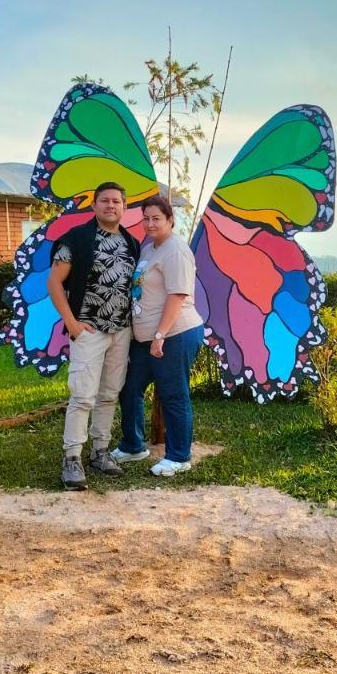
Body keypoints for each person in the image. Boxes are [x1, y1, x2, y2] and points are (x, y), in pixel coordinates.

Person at [47, 181, 141, 490]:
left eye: (116, 201)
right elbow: (54, 283)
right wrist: (72, 324)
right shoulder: (76, 240)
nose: (111, 205)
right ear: (94, 205)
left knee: (109, 394)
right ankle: (72, 457)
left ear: (124, 207)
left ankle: (101, 451)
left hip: (121, 330)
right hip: (88, 329)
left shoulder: (131, 242)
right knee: (83, 395)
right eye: (105, 200)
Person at [110, 195, 205, 477]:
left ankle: (178, 456)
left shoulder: (175, 250)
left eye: (157, 219)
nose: (150, 224)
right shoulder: (150, 247)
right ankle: (133, 445)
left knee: (173, 393)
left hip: (174, 333)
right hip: (146, 336)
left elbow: (177, 296)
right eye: (146, 218)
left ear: (170, 220)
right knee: (129, 387)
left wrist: (160, 335)